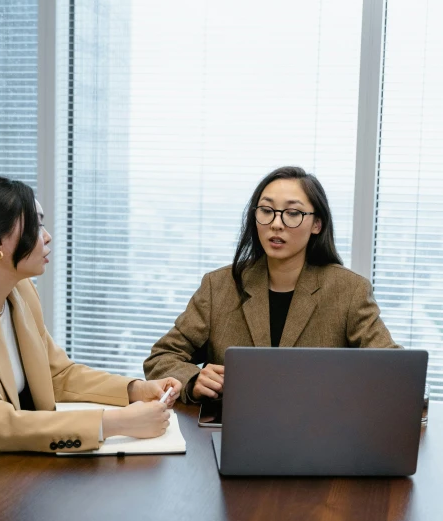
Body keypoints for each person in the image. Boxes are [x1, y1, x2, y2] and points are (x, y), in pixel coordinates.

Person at [0, 176, 181, 506]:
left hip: (10, 474)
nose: (47, 237)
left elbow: (58, 374)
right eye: (36, 225)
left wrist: (134, 390)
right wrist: (115, 423)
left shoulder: (19, 291)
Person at [144, 165, 399, 403]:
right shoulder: (219, 286)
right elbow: (162, 357)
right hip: (230, 430)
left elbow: (393, 370)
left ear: (317, 224)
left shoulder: (349, 290)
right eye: (266, 211)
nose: (276, 224)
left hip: (319, 432)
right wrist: (192, 380)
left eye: (293, 213)